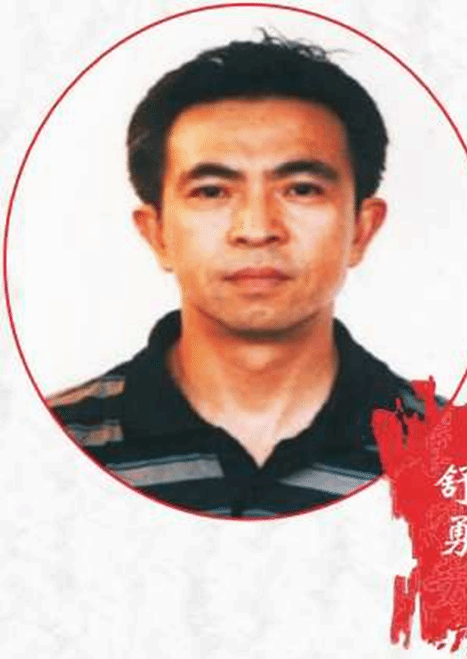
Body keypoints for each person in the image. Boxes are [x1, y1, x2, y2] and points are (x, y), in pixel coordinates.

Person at [48, 34, 428, 518]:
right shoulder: (50, 443)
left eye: (301, 189)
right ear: (157, 233)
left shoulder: (457, 456)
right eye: (212, 191)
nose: (256, 229)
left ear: (362, 229)